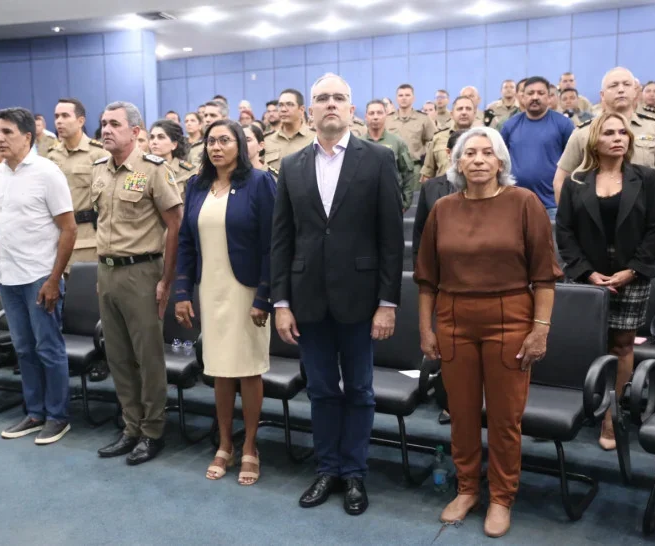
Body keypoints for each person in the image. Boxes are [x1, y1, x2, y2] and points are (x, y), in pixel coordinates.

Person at [415, 126, 561, 538]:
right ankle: (466, 488)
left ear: (501, 162)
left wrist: (540, 329)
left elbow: (545, 278)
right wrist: (425, 329)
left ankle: (501, 495)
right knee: (460, 412)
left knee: (504, 417)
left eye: (487, 153)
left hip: (511, 317)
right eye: (469, 153)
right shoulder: (442, 208)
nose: (478, 160)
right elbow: (426, 279)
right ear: (457, 162)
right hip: (453, 316)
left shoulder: (524, 203)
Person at [272, 74, 404, 516]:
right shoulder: (290, 166)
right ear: (310, 110)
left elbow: (390, 238)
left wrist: (388, 302)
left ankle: (355, 474)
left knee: (361, 391)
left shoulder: (379, 159)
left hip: (362, 299)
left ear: (352, 108)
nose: (331, 105)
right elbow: (282, 240)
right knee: (323, 389)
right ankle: (327, 468)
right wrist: (281, 302)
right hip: (307, 299)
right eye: (322, 98)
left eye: (339, 98)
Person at [555, 112, 655, 450]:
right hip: (588, 276)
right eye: (609, 133)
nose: (619, 137)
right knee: (586, 345)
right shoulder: (577, 181)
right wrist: (587, 272)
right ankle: (582, 404)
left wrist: (632, 269)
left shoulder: (645, 178)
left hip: (630, 276)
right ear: (595, 141)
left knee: (621, 346)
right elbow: (564, 232)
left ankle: (611, 415)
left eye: (623, 132)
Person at [175, 119, 276, 485]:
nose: (216, 147)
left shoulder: (260, 183)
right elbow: (186, 242)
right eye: (210, 141)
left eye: (225, 140)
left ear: (240, 145)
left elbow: (272, 244)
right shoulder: (197, 186)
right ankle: (224, 444)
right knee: (218, 368)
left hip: (247, 291)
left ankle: (249, 445)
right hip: (210, 289)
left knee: (248, 368)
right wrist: (183, 293)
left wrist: (265, 296)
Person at [92, 102, 183, 465]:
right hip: (107, 271)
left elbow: (175, 225)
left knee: (148, 357)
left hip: (142, 271)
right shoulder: (99, 169)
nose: (107, 129)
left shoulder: (153, 170)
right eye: (103, 123)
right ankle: (131, 427)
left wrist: (166, 280)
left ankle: (153, 431)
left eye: (114, 123)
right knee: (118, 356)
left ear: (136, 131)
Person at [0, 107, 76, 445]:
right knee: (23, 349)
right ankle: (35, 411)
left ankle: (57, 416)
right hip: (9, 276)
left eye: (7, 132)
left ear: (27, 137)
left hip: (40, 276)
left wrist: (54, 279)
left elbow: (69, 230)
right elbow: (2, 227)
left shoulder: (47, 172)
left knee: (48, 348)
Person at [554, 67, 655, 219]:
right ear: (602, 95)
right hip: (594, 222)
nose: (621, 90)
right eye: (613, 85)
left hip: (642, 222)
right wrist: (571, 220)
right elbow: (560, 179)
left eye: (626, 84)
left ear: (636, 91)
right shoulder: (583, 132)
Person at [47, 98, 110, 269]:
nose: (59, 121)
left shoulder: (99, 154)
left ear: (80, 121)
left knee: (86, 291)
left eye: (65, 116)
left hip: (88, 237)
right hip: (57, 237)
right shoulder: (52, 156)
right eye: (56, 116)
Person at [501, 76, 574, 220]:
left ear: (549, 97)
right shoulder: (510, 126)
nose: (535, 97)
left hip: (553, 205)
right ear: (522, 97)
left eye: (540, 93)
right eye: (530, 93)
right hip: (516, 204)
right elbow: (500, 160)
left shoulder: (564, 124)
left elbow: (575, 162)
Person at [412, 130, 463, 265]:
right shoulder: (430, 187)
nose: (464, 156)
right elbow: (420, 232)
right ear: (449, 153)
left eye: (469, 151)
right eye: (460, 150)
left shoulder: (485, 188)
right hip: (439, 263)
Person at [362, 99, 417, 210]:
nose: (375, 117)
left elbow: (408, 173)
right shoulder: (358, 143)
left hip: (391, 201)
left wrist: (406, 202)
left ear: (386, 115)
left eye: (379, 113)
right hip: (364, 202)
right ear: (366, 116)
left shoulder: (397, 142)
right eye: (371, 113)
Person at [421, 96, 476, 181]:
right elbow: (427, 173)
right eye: (460, 109)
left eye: (468, 109)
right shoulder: (438, 138)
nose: (464, 112)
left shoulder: (483, 138)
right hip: (443, 191)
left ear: (474, 114)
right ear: (451, 114)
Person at [264, 89, 313, 171]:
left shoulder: (315, 138)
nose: (283, 109)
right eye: (280, 105)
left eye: (290, 104)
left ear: (301, 109)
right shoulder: (267, 140)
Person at [387, 84, 435, 165]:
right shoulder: (387, 119)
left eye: (407, 95)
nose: (404, 98)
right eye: (400, 95)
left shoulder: (423, 119)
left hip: (415, 166)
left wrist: (424, 154)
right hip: (392, 165)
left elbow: (433, 140)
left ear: (413, 98)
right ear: (396, 99)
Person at [148, 119, 195, 200]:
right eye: (152, 137)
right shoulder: (142, 168)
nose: (154, 142)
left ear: (174, 145)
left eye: (161, 137)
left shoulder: (188, 173)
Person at [189, 100, 227, 169]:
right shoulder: (195, 149)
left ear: (224, 118)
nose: (207, 119)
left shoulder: (232, 145)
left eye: (213, 115)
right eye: (205, 115)